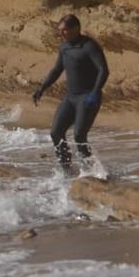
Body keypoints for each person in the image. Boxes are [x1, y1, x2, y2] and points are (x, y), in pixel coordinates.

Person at [32, 14, 109, 174]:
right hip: (71, 97)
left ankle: (93, 171)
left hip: (87, 97)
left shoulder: (89, 46)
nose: (61, 34)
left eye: (65, 30)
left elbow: (103, 69)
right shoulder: (64, 48)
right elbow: (57, 70)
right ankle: (66, 169)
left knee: (79, 135)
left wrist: (95, 92)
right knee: (55, 133)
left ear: (76, 28)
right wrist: (42, 88)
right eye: (60, 31)